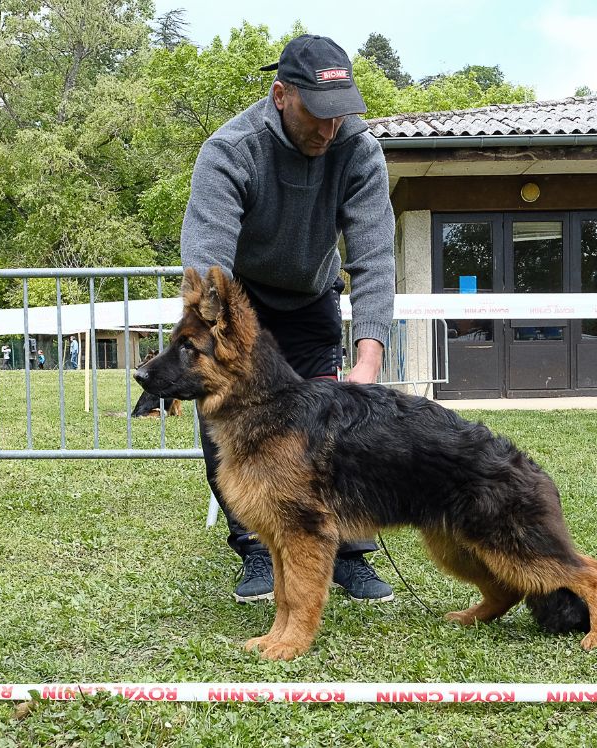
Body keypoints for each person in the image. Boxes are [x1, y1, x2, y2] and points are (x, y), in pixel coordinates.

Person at [181, 34, 396, 604]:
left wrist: (368, 357)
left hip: (311, 300)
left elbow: (373, 259)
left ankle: (349, 554)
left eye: (340, 115)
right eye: (317, 115)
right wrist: (205, 352)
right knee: (231, 419)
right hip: (243, 306)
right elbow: (208, 270)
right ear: (281, 95)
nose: (329, 130)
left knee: (333, 429)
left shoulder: (359, 151)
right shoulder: (231, 150)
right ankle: (254, 547)